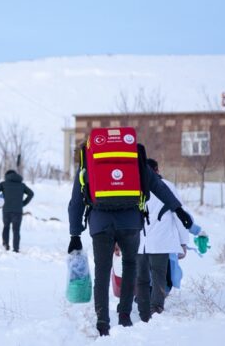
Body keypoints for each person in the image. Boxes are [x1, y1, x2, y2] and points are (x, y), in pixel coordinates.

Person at [67, 140, 197, 337]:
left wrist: (75, 234)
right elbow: (158, 186)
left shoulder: (89, 162)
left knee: (102, 271)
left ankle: (102, 321)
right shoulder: (133, 160)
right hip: (130, 222)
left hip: (100, 222)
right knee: (130, 267)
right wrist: (178, 210)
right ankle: (125, 316)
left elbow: (76, 202)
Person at [136, 158, 196, 323]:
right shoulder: (168, 187)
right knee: (158, 275)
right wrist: (183, 242)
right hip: (160, 241)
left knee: (141, 276)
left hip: (139, 241)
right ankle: (156, 307)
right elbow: (179, 215)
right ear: (156, 170)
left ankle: (142, 305)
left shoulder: (134, 186)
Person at [0, 170, 34, 252]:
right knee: (16, 230)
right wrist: (23, 203)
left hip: (6, 210)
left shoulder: (3, 184)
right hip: (18, 211)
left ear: (7, 176)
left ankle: (6, 245)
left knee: (6, 227)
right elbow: (31, 193)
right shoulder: (21, 185)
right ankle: (16, 248)